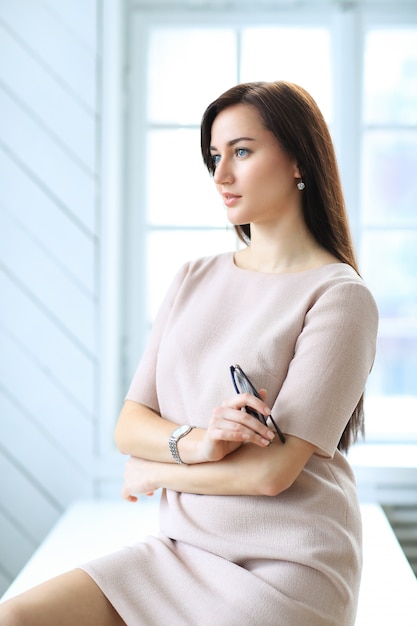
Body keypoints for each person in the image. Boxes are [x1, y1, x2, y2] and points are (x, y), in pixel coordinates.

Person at [0, 80, 378, 626]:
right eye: (214, 157)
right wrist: (198, 445)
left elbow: (271, 474)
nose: (221, 175)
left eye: (241, 152)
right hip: (179, 551)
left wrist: (155, 473)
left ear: (299, 160)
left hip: (286, 567)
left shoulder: (340, 297)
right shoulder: (193, 278)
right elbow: (131, 425)